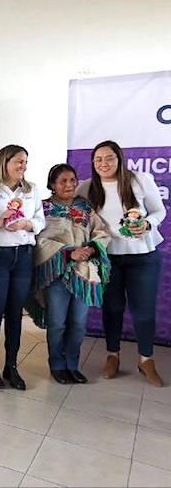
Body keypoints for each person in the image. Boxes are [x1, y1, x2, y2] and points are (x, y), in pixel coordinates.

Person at [77, 140, 166, 386]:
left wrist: (147, 224)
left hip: (143, 256)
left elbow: (159, 211)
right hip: (108, 258)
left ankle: (146, 360)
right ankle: (112, 355)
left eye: (109, 158)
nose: (103, 164)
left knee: (143, 310)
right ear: (93, 163)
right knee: (112, 307)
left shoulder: (140, 180)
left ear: (119, 158)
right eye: (98, 160)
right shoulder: (86, 188)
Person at [29, 164, 111, 384]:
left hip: (83, 273)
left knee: (78, 323)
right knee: (57, 323)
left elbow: (102, 232)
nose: (69, 185)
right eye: (63, 181)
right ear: (52, 185)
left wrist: (91, 248)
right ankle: (56, 364)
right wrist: (68, 253)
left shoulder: (85, 207)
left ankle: (72, 364)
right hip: (56, 273)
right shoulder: (43, 209)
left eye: (72, 180)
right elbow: (39, 240)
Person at [0, 145, 45, 390]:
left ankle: (11, 366)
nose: (23, 166)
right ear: (4, 162)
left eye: (25, 162)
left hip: (23, 256)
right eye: (18, 161)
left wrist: (26, 224)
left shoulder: (31, 190)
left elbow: (39, 221)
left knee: (16, 313)